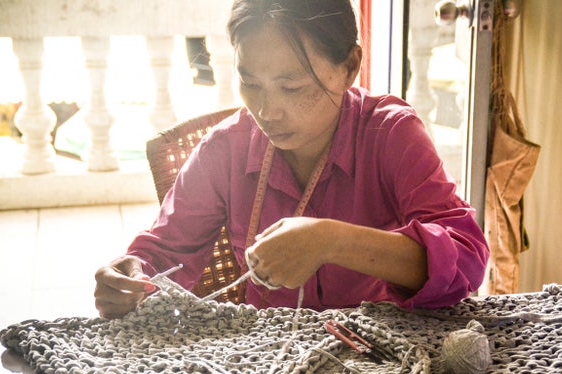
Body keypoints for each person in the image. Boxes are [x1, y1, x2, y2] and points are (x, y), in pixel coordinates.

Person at [94, 0, 489, 319]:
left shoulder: (390, 135)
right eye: (250, 83)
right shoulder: (226, 149)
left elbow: (467, 260)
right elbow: (162, 252)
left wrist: (331, 240)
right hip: (269, 363)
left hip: (380, 354)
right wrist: (128, 276)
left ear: (350, 67)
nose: (268, 112)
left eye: (291, 86)